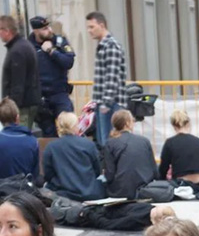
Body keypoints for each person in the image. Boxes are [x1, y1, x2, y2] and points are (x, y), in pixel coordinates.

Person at [27, 16, 75, 138]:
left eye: (49, 27)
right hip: (41, 98)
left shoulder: (59, 42)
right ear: (36, 31)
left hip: (60, 93)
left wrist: (52, 51)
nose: (49, 30)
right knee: (48, 135)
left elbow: (68, 62)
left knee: (68, 127)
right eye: (44, 28)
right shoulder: (28, 47)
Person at [86, 11, 127, 148]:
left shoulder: (110, 46)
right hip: (105, 103)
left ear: (101, 25)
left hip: (110, 104)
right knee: (106, 142)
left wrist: (106, 103)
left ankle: (112, 170)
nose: (89, 31)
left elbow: (111, 76)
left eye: (91, 27)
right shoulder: (105, 45)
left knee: (110, 143)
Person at [43, 111, 104, 201]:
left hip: (64, 194)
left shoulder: (51, 147)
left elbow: (48, 174)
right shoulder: (88, 144)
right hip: (90, 193)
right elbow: (97, 170)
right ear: (75, 125)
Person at [0, 15, 40, 131]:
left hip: (21, 107)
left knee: (19, 137)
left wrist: (11, 109)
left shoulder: (17, 51)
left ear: (7, 31)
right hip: (26, 104)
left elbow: (18, 83)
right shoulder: (22, 46)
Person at [103, 109, 157, 199]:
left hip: (121, 191)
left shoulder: (110, 143)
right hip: (144, 189)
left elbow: (110, 173)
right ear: (128, 123)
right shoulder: (144, 141)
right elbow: (154, 169)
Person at [0, 98, 39, 182]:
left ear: (0, 120)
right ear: (17, 117)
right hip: (25, 192)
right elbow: (35, 173)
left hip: (0, 191)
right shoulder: (33, 141)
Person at [159, 110, 199, 189]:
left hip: (181, 183)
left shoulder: (170, 143)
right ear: (188, 123)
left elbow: (163, 169)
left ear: (173, 126)